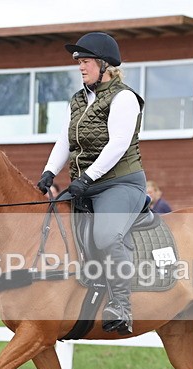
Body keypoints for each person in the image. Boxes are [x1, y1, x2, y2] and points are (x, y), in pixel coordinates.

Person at [36, 31, 146, 336]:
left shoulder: (124, 97)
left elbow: (118, 144)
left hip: (120, 183)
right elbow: (65, 138)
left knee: (107, 236)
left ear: (104, 65)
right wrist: (49, 172)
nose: (80, 67)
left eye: (85, 61)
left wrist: (86, 178)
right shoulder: (79, 99)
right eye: (79, 62)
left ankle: (121, 306)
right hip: (85, 183)